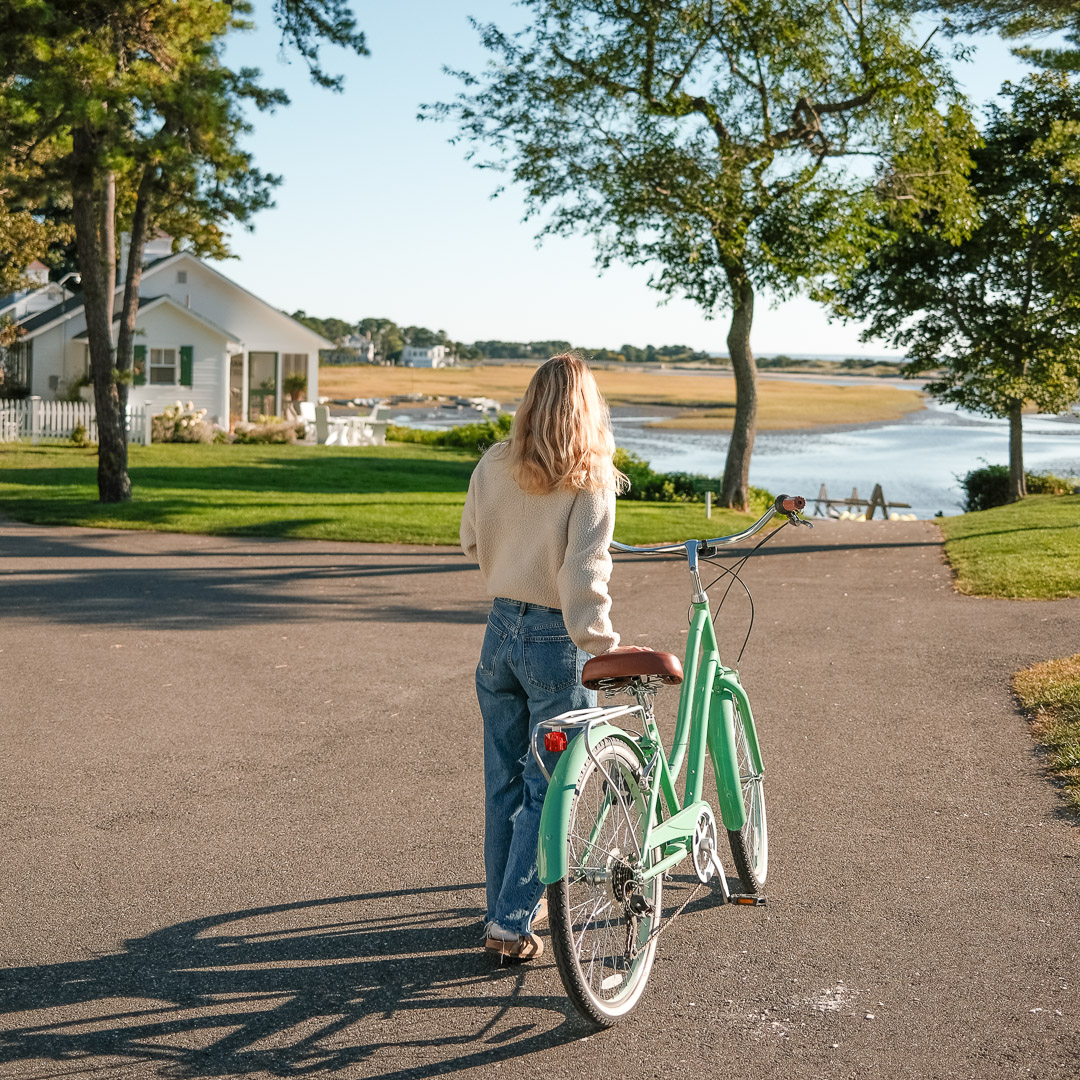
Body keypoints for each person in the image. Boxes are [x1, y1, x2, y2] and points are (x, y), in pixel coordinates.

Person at [460, 352, 638, 962]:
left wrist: (509, 561)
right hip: (555, 644)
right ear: (589, 408)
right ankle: (509, 925)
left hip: (499, 632)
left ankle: (503, 908)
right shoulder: (592, 476)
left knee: (502, 784)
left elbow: (470, 540)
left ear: (531, 402)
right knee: (549, 787)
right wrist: (604, 648)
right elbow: (584, 576)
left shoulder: (493, 463)